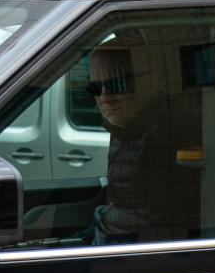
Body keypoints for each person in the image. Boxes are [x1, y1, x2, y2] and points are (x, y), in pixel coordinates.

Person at [85, 39, 201, 244]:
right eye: (94, 87)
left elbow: (156, 222)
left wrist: (102, 217)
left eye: (117, 84)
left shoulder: (168, 133)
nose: (104, 97)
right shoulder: (127, 128)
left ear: (150, 81)